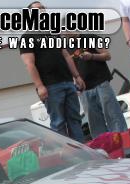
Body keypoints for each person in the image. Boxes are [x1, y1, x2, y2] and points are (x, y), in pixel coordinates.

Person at [20, 2, 86, 142]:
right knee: (58, 123)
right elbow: (29, 64)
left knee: (75, 119)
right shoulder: (27, 37)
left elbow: (66, 55)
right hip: (50, 86)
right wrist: (40, 86)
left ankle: (81, 151)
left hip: (68, 82)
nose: (41, 10)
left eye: (43, 8)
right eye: (37, 9)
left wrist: (77, 76)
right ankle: (64, 153)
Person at [70, 34, 127, 138]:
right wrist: (75, 85)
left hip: (101, 82)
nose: (66, 31)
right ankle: (103, 145)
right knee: (95, 124)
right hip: (84, 90)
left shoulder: (91, 38)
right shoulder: (65, 48)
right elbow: (71, 69)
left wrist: (92, 56)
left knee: (113, 115)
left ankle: (122, 139)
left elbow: (107, 55)